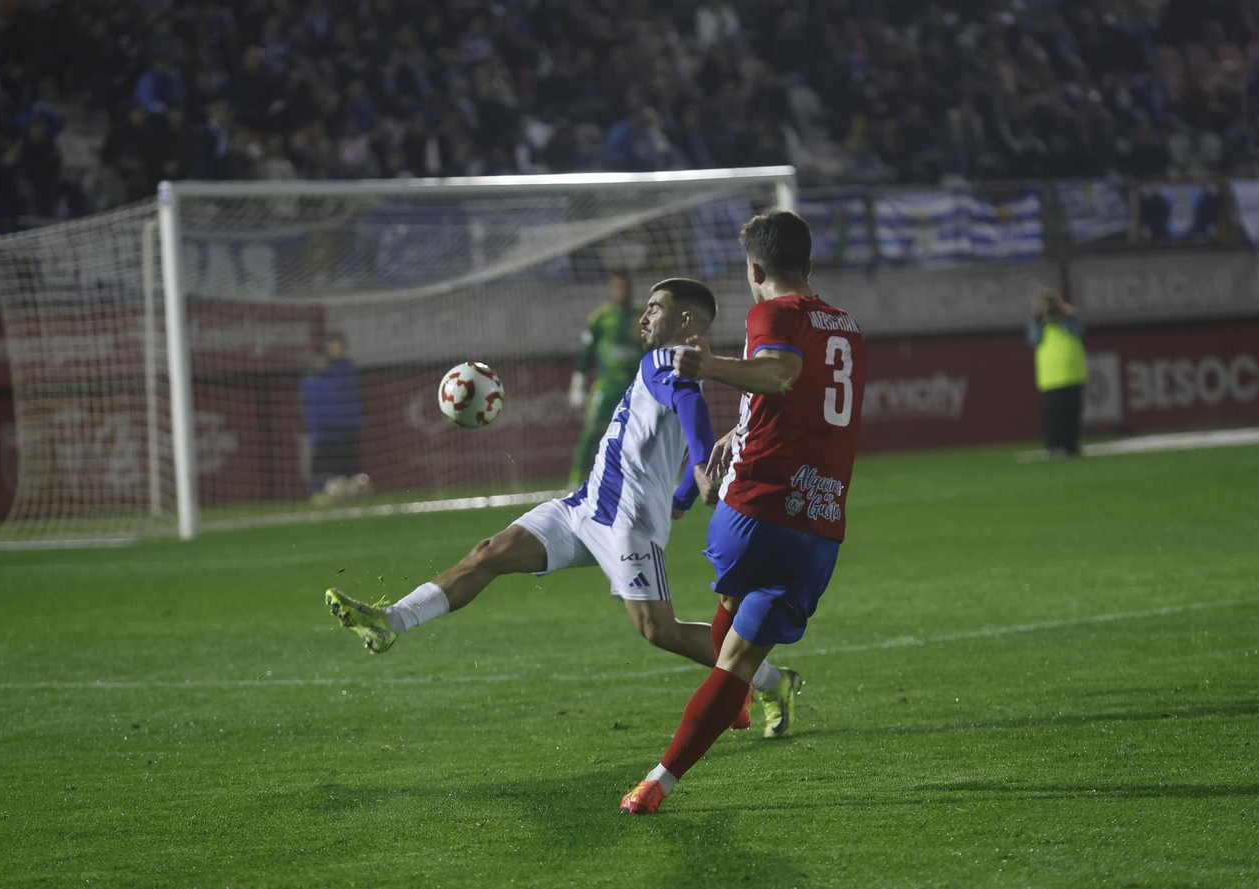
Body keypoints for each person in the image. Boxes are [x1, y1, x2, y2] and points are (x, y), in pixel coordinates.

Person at [326, 278, 800, 733]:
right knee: (487, 553)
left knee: (660, 631)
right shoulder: (666, 365)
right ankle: (390, 622)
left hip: (627, 526)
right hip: (584, 508)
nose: (643, 317)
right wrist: (681, 496)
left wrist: (699, 466)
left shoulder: (668, 359)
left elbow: (691, 411)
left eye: (655, 307)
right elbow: (666, 429)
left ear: (686, 319)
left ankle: (772, 681)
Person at [620, 209, 868, 815]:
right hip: (819, 520)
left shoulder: (770, 312)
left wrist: (710, 366)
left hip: (755, 508)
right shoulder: (848, 327)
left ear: (755, 269)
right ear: (809, 264)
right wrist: (742, 423)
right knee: (738, 658)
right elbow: (803, 393)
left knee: (729, 611)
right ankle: (660, 783)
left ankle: (730, 703)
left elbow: (781, 374)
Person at [568, 274, 645, 485]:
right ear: (612, 289)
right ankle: (576, 479)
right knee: (592, 431)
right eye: (618, 287)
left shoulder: (643, 317)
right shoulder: (600, 319)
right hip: (606, 386)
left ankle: (638, 478)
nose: (623, 291)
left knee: (640, 434)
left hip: (636, 386)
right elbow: (586, 355)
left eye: (626, 286)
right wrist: (578, 385)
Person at [301, 332, 367, 501]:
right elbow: (309, 406)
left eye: (339, 346)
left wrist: (355, 422)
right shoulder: (312, 378)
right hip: (323, 432)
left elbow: (354, 399)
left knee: (347, 468)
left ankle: (348, 494)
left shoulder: (347, 371)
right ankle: (319, 494)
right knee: (322, 468)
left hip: (344, 429)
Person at [1026, 290, 1087, 457]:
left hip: (1073, 374)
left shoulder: (1069, 319)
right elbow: (1033, 339)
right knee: (1054, 414)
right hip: (1052, 376)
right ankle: (1055, 446)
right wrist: (1039, 318)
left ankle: (1071, 445)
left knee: (1072, 412)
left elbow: (1080, 331)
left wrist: (1065, 315)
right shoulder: (1039, 323)